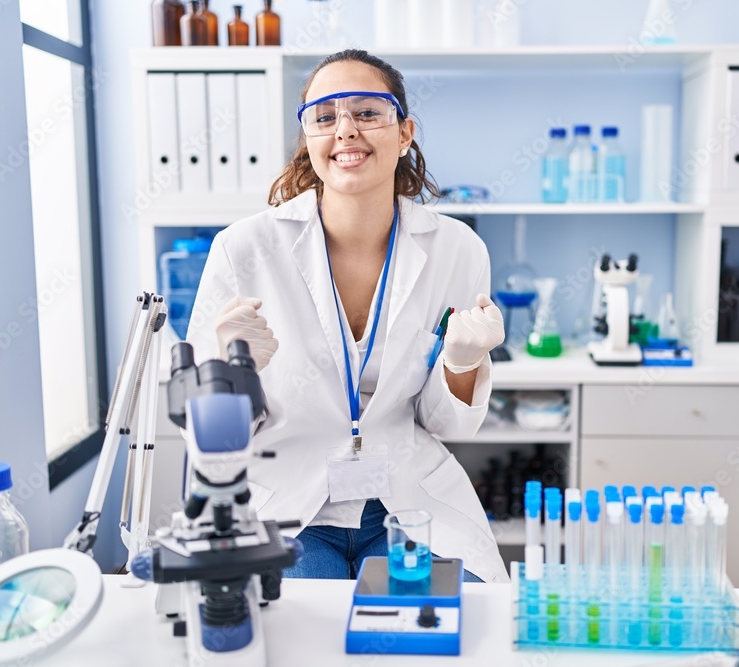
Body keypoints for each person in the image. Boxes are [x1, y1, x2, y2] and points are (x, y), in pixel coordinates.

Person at [185, 49, 508, 583]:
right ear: (308, 138)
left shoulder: (459, 250)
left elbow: (445, 423)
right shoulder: (243, 249)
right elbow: (212, 441)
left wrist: (462, 363)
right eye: (326, 117)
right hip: (291, 505)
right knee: (302, 639)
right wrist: (228, 369)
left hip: (405, 501)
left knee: (455, 625)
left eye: (367, 112)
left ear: (404, 132)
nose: (346, 131)